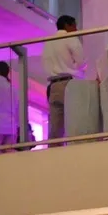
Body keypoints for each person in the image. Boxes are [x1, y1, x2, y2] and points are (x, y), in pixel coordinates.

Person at [42, 14, 86, 142]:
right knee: (75, 121)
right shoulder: (70, 38)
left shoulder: (48, 41)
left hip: (53, 86)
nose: (76, 29)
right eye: (74, 26)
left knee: (56, 127)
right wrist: (74, 67)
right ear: (67, 25)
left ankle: (54, 151)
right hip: (68, 84)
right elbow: (81, 62)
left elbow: (45, 63)